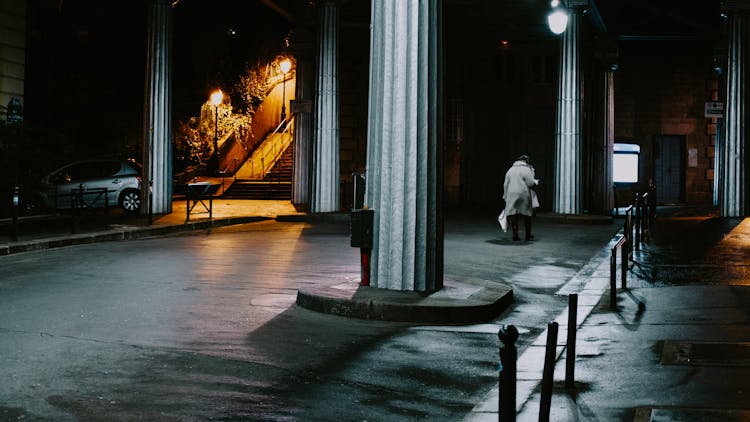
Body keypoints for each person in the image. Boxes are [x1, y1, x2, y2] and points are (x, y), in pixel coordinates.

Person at [502, 154, 539, 241]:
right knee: (527, 214)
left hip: (511, 194)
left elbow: (505, 184)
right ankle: (528, 235)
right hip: (523, 193)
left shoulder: (510, 170)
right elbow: (530, 183)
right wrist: (535, 181)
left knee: (513, 214)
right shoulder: (526, 170)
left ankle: (515, 235)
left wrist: (505, 195)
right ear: (526, 161)